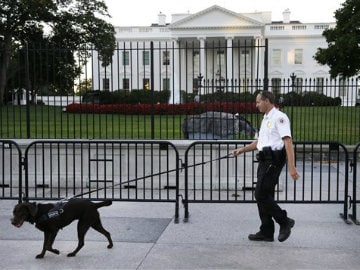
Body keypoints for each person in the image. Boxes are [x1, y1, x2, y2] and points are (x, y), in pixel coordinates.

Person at [232, 91, 299, 242]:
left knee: (260, 194)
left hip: (273, 162)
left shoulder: (279, 117)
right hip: (264, 161)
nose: (256, 105)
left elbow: (288, 142)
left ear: (267, 101)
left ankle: (284, 221)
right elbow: (259, 143)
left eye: (258, 102)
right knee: (264, 195)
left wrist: (292, 167)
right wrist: (241, 150)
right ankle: (267, 231)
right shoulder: (266, 119)